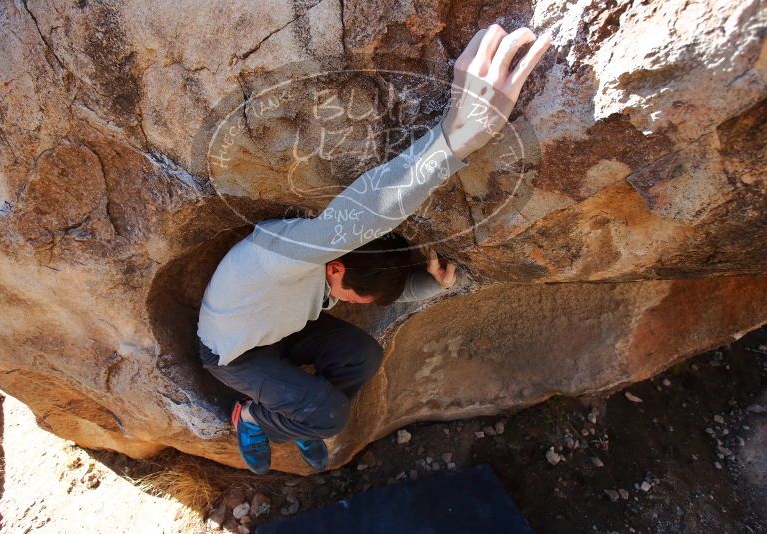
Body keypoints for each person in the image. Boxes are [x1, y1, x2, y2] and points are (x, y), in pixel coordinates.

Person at [197, 25, 552, 474]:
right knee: (330, 416)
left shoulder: (339, 266)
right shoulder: (285, 254)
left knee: (362, 356)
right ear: (338, 270)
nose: (344, 302)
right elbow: (367, 212)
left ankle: (298, 420)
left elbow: (380, 283)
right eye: (348, 298)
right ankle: (254, 417)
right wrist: (455, 137)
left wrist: (430, 284)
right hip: (234, 353)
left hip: (279, 328)